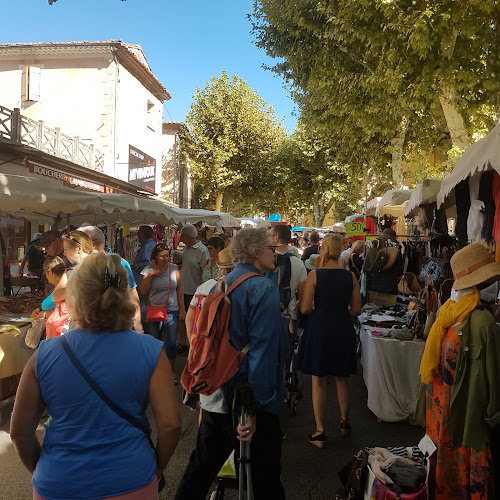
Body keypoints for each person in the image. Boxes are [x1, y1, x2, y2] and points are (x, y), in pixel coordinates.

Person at [10, 253, 181, 500]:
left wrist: (43, 470)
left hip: (59, 482)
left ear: (75, 296)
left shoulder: (45, 354)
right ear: (123, 294)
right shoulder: (151, 351)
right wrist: (158, 468)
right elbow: (171, 426)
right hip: (132, 480)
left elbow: (19, 432)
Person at [174, 227, 287, 500]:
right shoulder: (262, 288)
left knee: (200, 470)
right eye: (269, 248)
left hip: (216, 390)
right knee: (266, 478)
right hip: (249, 398)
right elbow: (263, 353)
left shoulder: (219, 285)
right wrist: (254, 406)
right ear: (256, 252)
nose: (274, 253)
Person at [420, 243, 500, 499]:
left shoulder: (447, 311)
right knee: (465, 466)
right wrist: (494, 418)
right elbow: (494, 376)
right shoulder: (481, 319)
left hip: (440, 410)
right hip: (465, 412)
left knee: (443, 465)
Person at [297, 235, 361, 448]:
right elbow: (357, 310)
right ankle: (344, 422)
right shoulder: (350, 276)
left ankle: (320, 431)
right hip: (343, 326)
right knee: (342, 376)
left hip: (320, 328)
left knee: (319, 379)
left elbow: (305, 308)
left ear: (324, 250)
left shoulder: (315, 275)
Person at [78, 225, 143, 333]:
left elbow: (132, 294)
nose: (80, 249)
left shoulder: (120, 263)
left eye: (83, 244)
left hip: (119, 324)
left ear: (97, 243)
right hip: (91, 327)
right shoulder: (83, 265)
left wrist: (137, 323)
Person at [140, 243, 185, 381]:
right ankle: (157, 369)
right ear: (155, 257)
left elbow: (179, 289)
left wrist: (182, 309)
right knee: (155, 341)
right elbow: (143, 290)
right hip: (155, 310)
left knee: (171, 342)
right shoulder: (147, 270)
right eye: (162, 256)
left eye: (167, 255)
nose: (166, 259)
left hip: (171, 310)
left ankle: (169, 371)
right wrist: (151, 274)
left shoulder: (173, 268)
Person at [269, 224, 307, 377]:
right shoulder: (298, 263)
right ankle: (285, 385)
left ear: (276, 238)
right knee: (286, 355)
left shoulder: (264, 260)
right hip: (288, 316)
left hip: (266, 315)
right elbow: (303, 298)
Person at [178, 224, 209, 353]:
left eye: (182, 235)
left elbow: (205, 270)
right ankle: (182, 343)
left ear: (188, 236)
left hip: (194, 290)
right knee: (181, 316)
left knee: (192, 319)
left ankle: (192, 344)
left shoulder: (202, 250)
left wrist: (200, 289)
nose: (181, 238)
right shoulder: (186, 249)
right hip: (182, 289)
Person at [52, 231, 94, 303]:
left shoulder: (99, 267)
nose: (64, 253)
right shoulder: (70, 271)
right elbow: (55, 296)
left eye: (66, 249)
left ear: (78, 248)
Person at [132, 225, 156, 331]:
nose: (137, 236)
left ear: (143, 234)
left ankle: (145, 329)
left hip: (143, 281)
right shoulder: (151, 245)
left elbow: (147, 264)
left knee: (143, 306)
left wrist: (134, 266)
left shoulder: (147, 247)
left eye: (139, 233)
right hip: (144, 280)